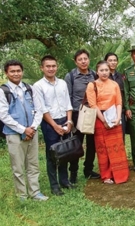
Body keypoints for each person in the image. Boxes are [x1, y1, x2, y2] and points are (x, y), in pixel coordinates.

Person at [0, 60, 48, 201]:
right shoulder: (3, 91)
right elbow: (3, 115)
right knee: (18, 167)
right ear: (6, 73)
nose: (16, 73)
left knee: (33, 165)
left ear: (22, 72)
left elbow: (39, 110)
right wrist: (23, 130)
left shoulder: (29, 88)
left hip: (31, 132)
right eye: (12, 71)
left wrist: (32, 128)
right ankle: (22, 195)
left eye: (18, 71)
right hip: (14, 134)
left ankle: (35, 192)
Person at [34, 55, 74, 196]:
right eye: (48, 66)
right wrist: (54, 126)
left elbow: (68, 104)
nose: (51, 69)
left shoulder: (62, 83)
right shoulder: (38, 86)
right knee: (52, 154)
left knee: (65, 152)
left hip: (64, 120)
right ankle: (54, 185)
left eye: (53, 66)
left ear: (57, 67)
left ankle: (64, 181)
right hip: (49, 123)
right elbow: (42, 109)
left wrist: (69, 121)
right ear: (42, 68)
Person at [86, 61, 129, 184]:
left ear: (109, 71)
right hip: (100, 119)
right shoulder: (92, 85)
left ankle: (119, 174)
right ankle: (106, 175)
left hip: (114, 118)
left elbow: (119, 102)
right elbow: (93, 105)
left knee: (116, 148)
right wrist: (104, 120)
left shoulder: (114, 84)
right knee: (103, 149)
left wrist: (118, 118)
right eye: (101, 70)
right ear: (97, 72)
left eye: (106, 70)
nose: (104, 73)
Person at [64, 49, 100, 182]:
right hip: (77, 114)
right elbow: (67, 97)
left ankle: (88, 170)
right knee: (76, 144)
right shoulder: (71, 76)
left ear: (89, 60)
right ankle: (73, 173)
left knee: (92, 144)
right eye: (80, 59)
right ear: (76, 61)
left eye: (85, 59)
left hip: (92, 114)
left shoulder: (95, 75)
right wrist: (69, 119)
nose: (83, 61)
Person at [105, 52, 126, 142]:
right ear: (106, 62)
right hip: (106, 112)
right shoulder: (102, 76)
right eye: (110, 60)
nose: (113, 62)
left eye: (115, 60)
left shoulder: (121, 77)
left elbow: (125, 94)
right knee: (109, 139)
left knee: (120, 138)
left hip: (119, 111)